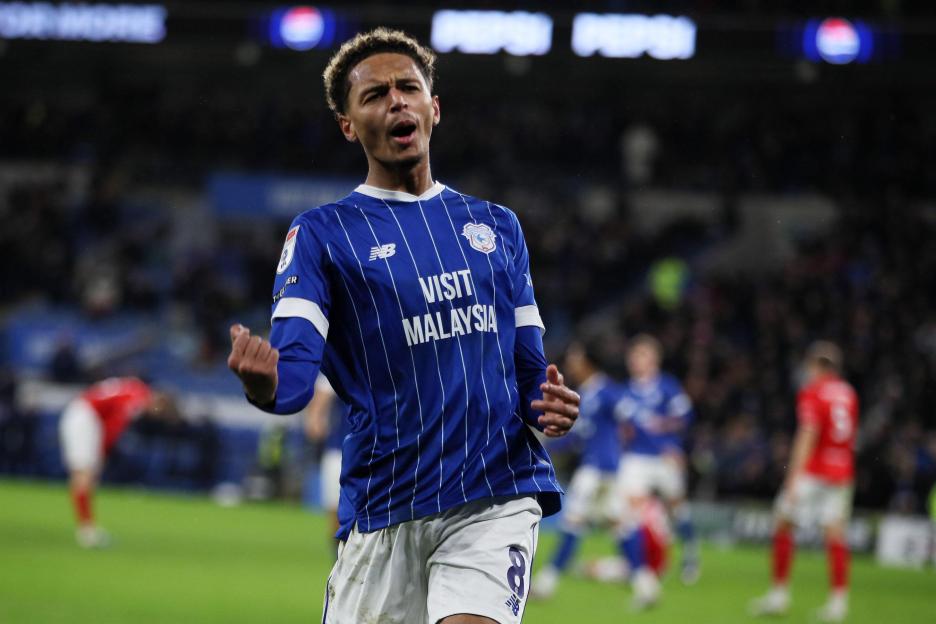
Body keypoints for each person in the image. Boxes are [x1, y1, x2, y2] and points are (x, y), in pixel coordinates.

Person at [226, 28, 580, 624]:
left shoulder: (497, 227)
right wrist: (263, 383)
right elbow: (292, 382)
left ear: (433, 108)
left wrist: (550, 405)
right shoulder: (321, 234)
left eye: (408, 88)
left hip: (494, 493)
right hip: (385, 506)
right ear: (348, 125)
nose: (396, 101)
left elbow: (528, 374)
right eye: (375, 95)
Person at [751, 341, 858, 623]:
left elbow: (808, 433)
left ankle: (779, 595)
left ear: (817, 366)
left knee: (783, 522)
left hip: (814, 470)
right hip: (842, 470)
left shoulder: (813, 391)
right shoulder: (848, 393)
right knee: (836, 534)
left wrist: (793, 475)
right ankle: (838, 603)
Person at [532, 339, 623, 599]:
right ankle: (645, 583)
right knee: (619, 524)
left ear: (588, 361)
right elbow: (577, 436)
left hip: (596, 467)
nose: (571, 363)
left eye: (575, 357)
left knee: (572, 521)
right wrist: (547, 447)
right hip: (603, 467)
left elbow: (629, 420)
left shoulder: (606, 391)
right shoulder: (586, 392)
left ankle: (546, 582)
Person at [614, 334, 697, 609]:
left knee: (678, 509)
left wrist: (667, 434)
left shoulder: (667, 386)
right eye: (633, 356)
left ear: (654, 359)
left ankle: (690, 556)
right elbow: (623, 428)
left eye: (642, 355)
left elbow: (685, 417)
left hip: (664, 458)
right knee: (628, 514)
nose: (636, 361)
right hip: (636, 458)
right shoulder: (626, 392)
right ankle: (643, 574)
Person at [58, 376, 175, 548]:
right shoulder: (138, 398)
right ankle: (87, 532)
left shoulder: (135, 388)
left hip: (86, 413)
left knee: (86, 476)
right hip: (86, 415)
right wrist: (104, 451)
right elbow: (115, 424)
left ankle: (87, 527)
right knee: (84, 475)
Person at [303, 373, 352, 552]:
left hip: (374, 450)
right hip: (339, 450)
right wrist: (315, 420)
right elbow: (319, 402)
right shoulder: (340, 363)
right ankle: (339, 559)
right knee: (336, 513)